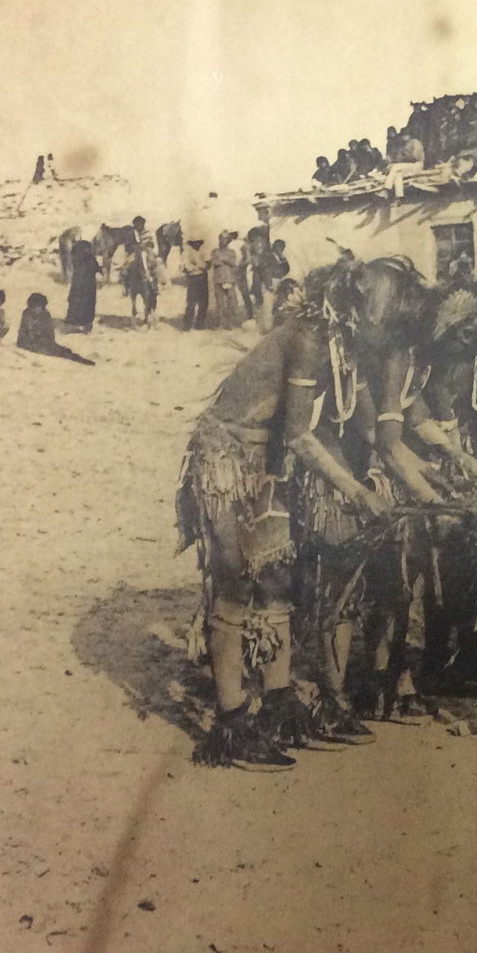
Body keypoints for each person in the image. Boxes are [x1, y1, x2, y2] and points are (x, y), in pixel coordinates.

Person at [176, 257, 387, 765]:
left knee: (276, 577)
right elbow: (298, 432)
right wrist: (355, 491)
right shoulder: (308, 338)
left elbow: (359, 424)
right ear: (352, 304)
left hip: (268, 459)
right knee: (235, 581)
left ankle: (278, 704)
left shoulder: (341, 344)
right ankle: (231, 724)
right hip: (227, 456)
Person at [17, 293, 94, 364]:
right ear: (32, 306)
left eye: (40, 307)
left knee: (65, 350)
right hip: (29, 343)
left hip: (45, 342)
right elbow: (28, 334)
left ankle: (80, 359)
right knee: (60, 353)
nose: (38, 309)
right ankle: (81, 360)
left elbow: (49, 331)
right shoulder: (28, 314)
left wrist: (49, 341)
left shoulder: (45, 314)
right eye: (36, 307)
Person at [63, 239, 101, 333]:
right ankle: (86, 324)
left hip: (77, 285)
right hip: (88, 286)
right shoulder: (90, 259)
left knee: (76, 302)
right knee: (87, 304)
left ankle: (74, 322)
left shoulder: (76, 259)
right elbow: (96, 268)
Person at [210, 231, 244, 329]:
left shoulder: (232, 252)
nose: (223, 241)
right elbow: (214, 262)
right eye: (221, 238)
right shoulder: (215, 251)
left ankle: (231, 323)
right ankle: (220, 323)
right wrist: (224, 260)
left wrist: (223, 260)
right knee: (220, 302)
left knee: (231, 301)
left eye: (225, 239)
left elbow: (233, 263)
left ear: (228, 240)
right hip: (219, 279)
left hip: (229, 279)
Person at [182, 238, 211, 330]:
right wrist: (199, 266)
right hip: (193, 279)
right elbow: (187, 267)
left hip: (203, 278)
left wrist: (197, 265)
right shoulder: (187, 253)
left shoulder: (204, 251)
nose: (197, 244)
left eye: (198, 242)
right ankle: (187, 324)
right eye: (195, 243)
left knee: (204, 302)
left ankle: (200, 324)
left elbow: (207, 265)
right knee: (191, 302)